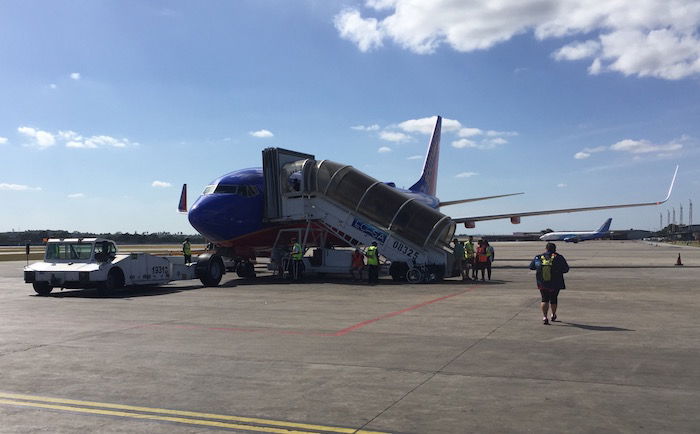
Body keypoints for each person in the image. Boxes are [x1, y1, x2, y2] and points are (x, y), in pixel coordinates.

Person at [529, 242, 569, 325]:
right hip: (556, 282)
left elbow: (531, 267)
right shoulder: (559, 257)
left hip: (542, 282)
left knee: (544, 299)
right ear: (555, 249)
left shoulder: (539, 257)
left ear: (546, 248)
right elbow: (566, 269)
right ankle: (553, 315)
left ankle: (544, 317)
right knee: (554, 299)